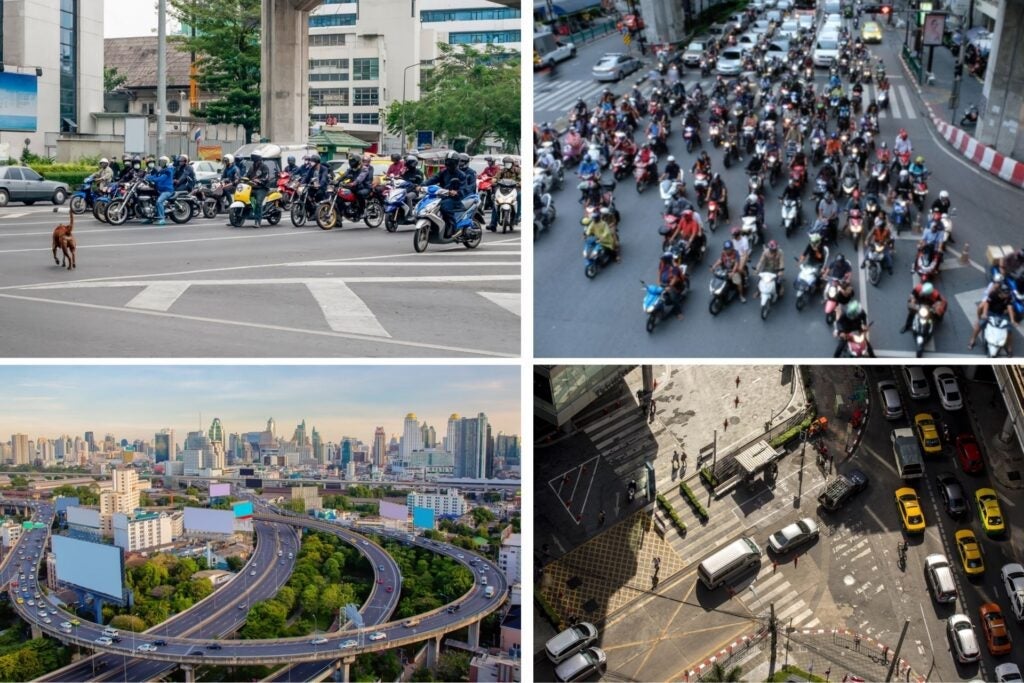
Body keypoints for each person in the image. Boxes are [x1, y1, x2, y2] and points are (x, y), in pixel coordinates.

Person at [422, 150, 468, 237]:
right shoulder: (443, 172)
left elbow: (464, 189)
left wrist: (456, 192)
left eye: (451, 162)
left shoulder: (461, 175)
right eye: (447, 161)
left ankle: (452, 228)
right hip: (442, 196)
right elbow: (433, 179)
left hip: (455, 199)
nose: (449, 163)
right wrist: (421, 185)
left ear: (456, 163)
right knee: (428, 204)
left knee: (445, 207)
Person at [968, 282, 1017, 353]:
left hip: (1001, 314)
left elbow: (1010, 307)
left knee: (1009, 329)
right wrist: (984, 314)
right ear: (1001, 292)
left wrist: (1012, 320)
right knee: (980, 324)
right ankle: (972, 340)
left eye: (1008, 293)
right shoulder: (993, 294)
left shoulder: (1009, 297)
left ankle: (1009, 346)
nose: (1007, 295)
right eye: (1006, 293)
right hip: (990, 312)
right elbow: (986, 304)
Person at [489, 156, 521, 231]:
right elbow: (496, 177)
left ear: (512, 163)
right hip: (503, 189)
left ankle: (517, 216)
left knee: (520, 196)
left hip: (515, 189)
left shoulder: (517, 170)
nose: (507, 164)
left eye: (509, 163)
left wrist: (520, 183)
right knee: (496, 201)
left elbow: (522, 178)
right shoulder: (502, 170)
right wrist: (493, 180)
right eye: (506, 163)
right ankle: (493, 223)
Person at [337, 155, 374, 219]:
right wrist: (337, 181)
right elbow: (344, 175)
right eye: (351, 161)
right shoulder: (351, 169)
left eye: (353, 161)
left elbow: (360, 177)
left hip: (365, 187)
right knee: (341, 194)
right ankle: (344, 211)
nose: (352, 162)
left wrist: (354, 183)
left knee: (359, 193)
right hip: (354, 187)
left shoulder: (364, 169)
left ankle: (361, 211)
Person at [143, 155, 175, 226]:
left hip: (167, 190)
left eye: (163, 162)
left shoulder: (168, 171)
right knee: (152, 202)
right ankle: (150, 218)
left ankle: (162, 219)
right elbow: (155, 176)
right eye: (160, 162)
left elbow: (160, 179)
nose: (161, 163)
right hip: (160, 190)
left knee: (159, 201)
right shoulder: (161, 170)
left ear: (167, 162)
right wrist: (146, 177)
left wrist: (150, 179)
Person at [657, 252, 688, 318]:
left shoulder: (674, 267)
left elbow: (675, 278)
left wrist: (669, 286)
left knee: (673, 297)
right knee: (657, 293)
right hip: (665, 281)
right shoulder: (662, 263)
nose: (662, 260)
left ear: (667, 260)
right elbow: (659, 271)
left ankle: (678, 312)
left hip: (674, 284)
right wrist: (659, 281)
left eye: (663, 259)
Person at [247, 150, 272, 228]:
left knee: (258, 203)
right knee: (249, 201)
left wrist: (259, 180)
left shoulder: (264, 166)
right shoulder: (252, 167)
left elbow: (266, 177)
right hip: (253, 187)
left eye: (254, 157)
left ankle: (258, 221)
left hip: (262, 188)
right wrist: (242, 179)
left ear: (257, 158)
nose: (252, 158)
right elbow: (247, 176)